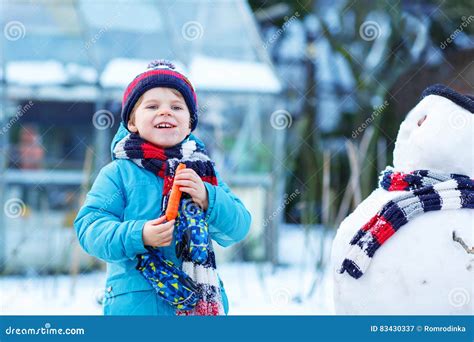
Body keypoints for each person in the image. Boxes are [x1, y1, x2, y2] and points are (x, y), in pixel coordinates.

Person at [74, 60, 251, 315]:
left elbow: (239, 227)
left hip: (200, 310)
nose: (166, 112)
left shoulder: (202, 173)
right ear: (132, 122)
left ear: (190, 123)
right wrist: (139, 234)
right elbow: (89, 229)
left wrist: (208, 198)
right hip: (136, 312)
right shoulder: (118, 174)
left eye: (177, 107)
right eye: (153, 106)